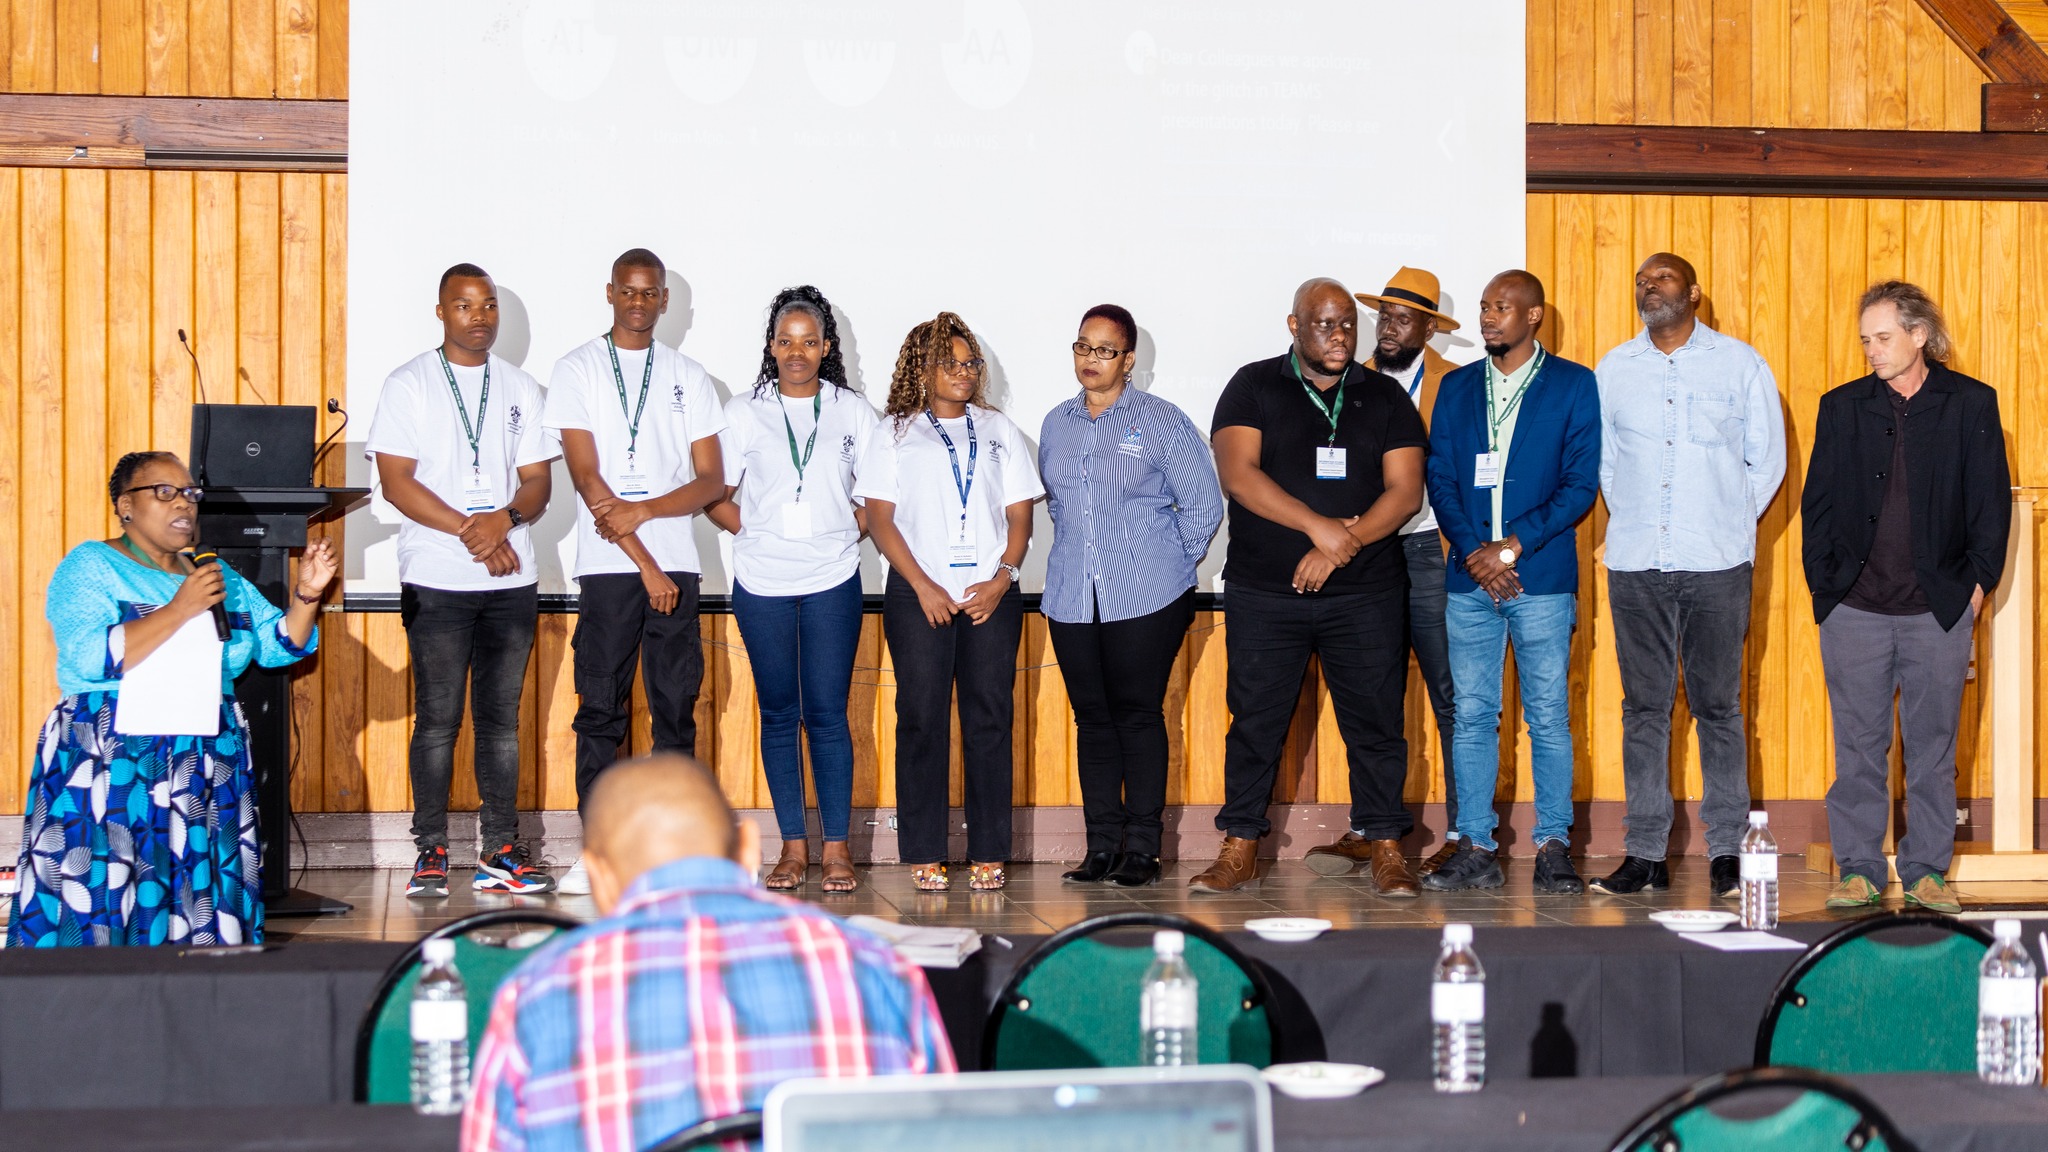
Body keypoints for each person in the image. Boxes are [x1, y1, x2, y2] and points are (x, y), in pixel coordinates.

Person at [462, 754, 954, 1152]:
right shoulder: (876, 967)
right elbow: (948, 1135)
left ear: (599, 877)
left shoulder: (538, 994)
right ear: (748, 848)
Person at [8, 453, 336, 946]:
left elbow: (277, 645)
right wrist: (181, 608)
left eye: (189, 493)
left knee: (198, 888)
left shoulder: (214, 573)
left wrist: (307, 595)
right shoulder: (92, 565)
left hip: (204, 754)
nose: (184, 502)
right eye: (165, 492)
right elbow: (91, 655)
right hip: (114, 754)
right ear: (125, 506)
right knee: (104, 885)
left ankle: (197, 985)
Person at [1191, 279, 1425, 897]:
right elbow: (1238, 475)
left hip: (1366, 594)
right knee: (1255, 722)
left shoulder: (1384, 395)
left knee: (1376, 724)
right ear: (1294, 326)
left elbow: (1405, 492)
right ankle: (1240, 846)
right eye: (1325, 324)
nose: (1340, 335)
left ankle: (1385, 846)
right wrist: (1318, 527)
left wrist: (1340, 546)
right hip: (1266, 593)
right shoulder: (1253, 385)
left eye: (1348, 323)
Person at [1805, 281, 2009, 915]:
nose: (1871, 349)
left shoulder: (1971, 403)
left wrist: (1975, 587)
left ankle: (1926, 871)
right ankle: (1859, 868)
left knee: (1933, 748)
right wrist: (1826, 588)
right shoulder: (1841, 407)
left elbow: (1991, 507)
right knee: (1858, 748)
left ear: (1919, 335)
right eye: (1865, 339)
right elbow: (1818, 507)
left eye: (1883, 337)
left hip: (1938, 610)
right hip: (1854, 608)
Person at [1589, 253, 1785, 900]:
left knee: (1719, 708)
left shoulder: (1740, 363)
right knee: (1643, 710)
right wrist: (1641, 518)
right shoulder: (1614, 369)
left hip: (1717, 563)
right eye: (1641, 280)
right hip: (1637, 562)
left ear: (1694, 292)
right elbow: (1606, 464)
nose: (1649, 286)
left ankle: (1727, 851)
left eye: (1663, 278)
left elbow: (1766, 460)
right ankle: (1646, 854)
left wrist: (1725, 520)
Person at [367, 263, 560, 900]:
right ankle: (429, 850)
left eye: (489, 305)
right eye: (465, 305)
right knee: (438, 720)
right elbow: (396, 482)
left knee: (500, 724)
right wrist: (472, 531)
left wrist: (504, 521)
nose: (480, 317)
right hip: (436, 576)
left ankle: (499, 850)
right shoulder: (409, 383)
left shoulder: (521, 387)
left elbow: (538, 482)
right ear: (441, 311)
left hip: (510, 579)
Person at [543, 248, 727, 896]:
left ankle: (679, 860)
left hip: (677, 564)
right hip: (611, 570)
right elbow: (587, 477)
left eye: (651, 293)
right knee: (600, 711)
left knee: (675, 712)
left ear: (665, 300)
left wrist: (646, 510)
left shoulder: (689, 376)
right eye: (629, 291)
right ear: (610, 292)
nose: (639, 303)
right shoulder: (577, 369)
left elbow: (710, 480)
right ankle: (598, 854)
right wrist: (644, 562)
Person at [1420, 270, 1600, 895]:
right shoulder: (1458, 386)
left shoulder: (1574, 384)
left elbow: (1579, 484)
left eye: (1501, 307)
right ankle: (1475, 845)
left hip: (1539, 577)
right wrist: (1475, 552)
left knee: (1548, 716)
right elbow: (1441, 476)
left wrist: (1512, 546)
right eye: (1484, 307)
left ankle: (1553, 846)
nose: (1488, 317)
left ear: (1534, 316)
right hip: (1470, 580)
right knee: (1471, 715)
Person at [856, 313, 1044, 892]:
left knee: (990, 717)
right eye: (950, 363)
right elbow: (880, 520)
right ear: (922, 368)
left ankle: (989, 849)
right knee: (920, 719)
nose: (963, 372)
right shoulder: (893, 432)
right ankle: (924, 850)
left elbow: (1020, 517)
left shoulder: (998, 428)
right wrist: (922, 585)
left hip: (992, 595)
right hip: (919, 595)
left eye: (970, 363)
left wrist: (1003, 578)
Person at [1040, 304, 1224, 888]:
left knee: (1138, 716)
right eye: (1083, 346)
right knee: (1092, 720)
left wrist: (1165, 564)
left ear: (1128, 360)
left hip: (1147, 594)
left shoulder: (1161, 420)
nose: (1091, 359)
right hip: (1072, 593)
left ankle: (1142, 848)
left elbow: (1204, 504)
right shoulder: (1056, 423)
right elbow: (1058, 506)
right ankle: (1101, 847)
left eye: (1105, 350)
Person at [706, 286, 878, 893]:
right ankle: (792, 847)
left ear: (826, 347)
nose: (797, 352)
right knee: (779, 715)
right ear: (772, 347)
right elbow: (714, 494)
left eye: (809, 341)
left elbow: (878, 497)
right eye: (786, 341)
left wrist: (844, 533)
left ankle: (837, 849)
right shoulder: (741, 412)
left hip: (832, 579)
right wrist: (754, 532)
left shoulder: (852, 412)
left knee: (827, 714)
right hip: (762, 582)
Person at [1350, 267, 1463, 877]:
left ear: (1429, 328)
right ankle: (1373, 827)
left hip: (1430, 552)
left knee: (1450, 694)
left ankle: (1466, 831)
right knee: (1371, 692)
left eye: (1402, 319)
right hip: (1367, 550)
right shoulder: (1352, 379)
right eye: (1383, 316)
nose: (1388, 328)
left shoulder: (1455, 382)